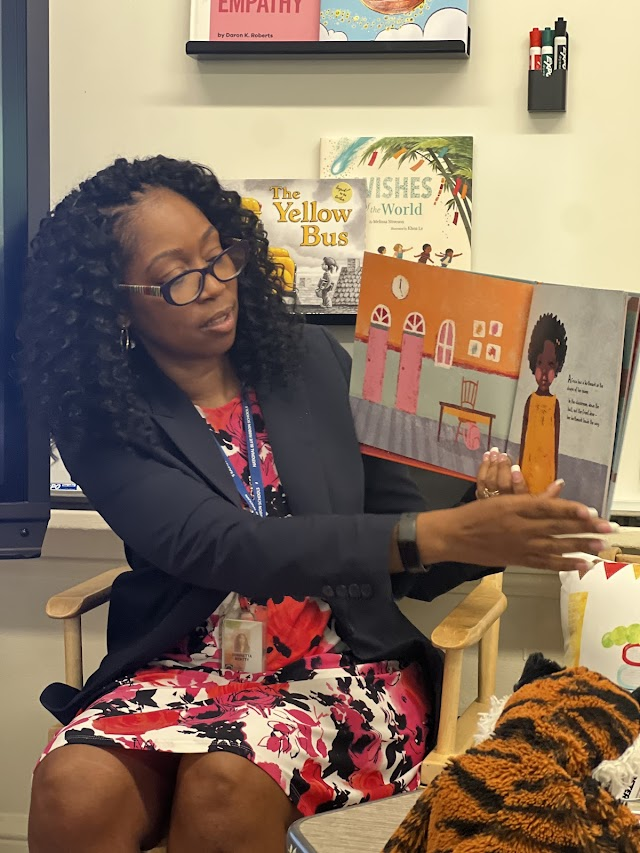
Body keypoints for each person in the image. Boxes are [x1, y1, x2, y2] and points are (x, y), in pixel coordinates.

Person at [21, 156, 610, 853]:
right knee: (74, 785)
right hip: (179, 668)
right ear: (115, 302)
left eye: (220, 257)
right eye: (179, 276)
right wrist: (435, 529)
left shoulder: (311, 363)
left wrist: (478, 523)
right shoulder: (102, 413)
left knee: (224, 782)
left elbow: (401, 553)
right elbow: (223, 545)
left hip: (337, 671)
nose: (214, 288)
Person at [520, 313, 568, 495]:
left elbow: (555, 442)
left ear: (558, 367)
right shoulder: (530, 400)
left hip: (547, 468)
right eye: (540, 363)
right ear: (533, 363)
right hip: (528, 465)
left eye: (551, 364)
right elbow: (524, 436)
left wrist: (554, 473)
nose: (545, 371)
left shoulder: (555, 404)